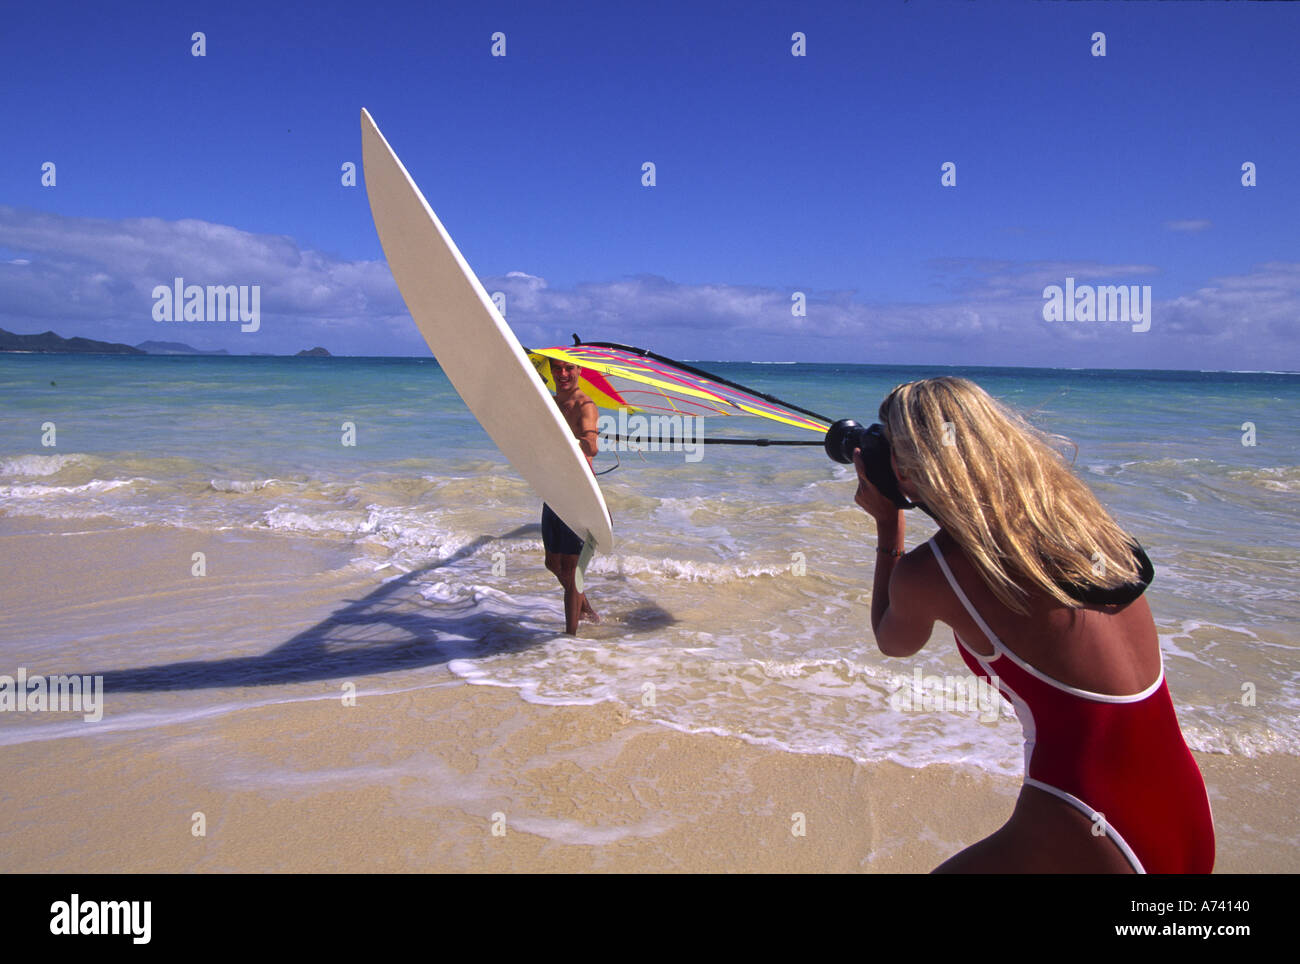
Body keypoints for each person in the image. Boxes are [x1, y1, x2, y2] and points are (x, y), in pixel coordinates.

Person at [852, 376, 1214, 873]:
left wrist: (888, 524)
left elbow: (892, 640)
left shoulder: (934, 572)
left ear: (906, 472)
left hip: (1085, 819)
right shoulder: (1086, 525)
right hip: (1185, 811)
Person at [542, 357, 601, 635]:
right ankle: (586, 608)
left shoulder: (584, 405)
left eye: (569, 368)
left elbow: (591, 447)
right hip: (553, 486)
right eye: (557, 368)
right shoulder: (549, 404)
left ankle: (570, 638)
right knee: (552, 563)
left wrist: (570, 437)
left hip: (576, 487)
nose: (563, 373)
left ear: (579, 370)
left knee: (573, 567)